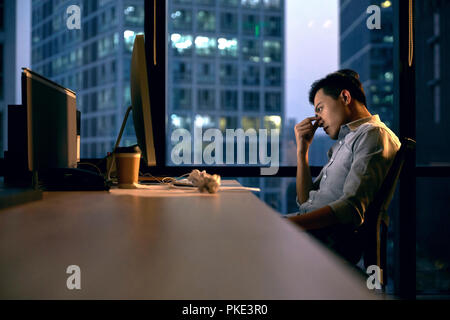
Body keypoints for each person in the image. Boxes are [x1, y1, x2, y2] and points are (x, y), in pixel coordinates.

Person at [288, 69, 401, 263]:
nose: (317, 119)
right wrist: (302, 151)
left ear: (345, 96)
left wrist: (288, 224)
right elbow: (305, 200)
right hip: (312, 233)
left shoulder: (373, 134)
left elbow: (350, 207)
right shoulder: (346, 141)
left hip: (327, 240)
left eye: (320, 108)